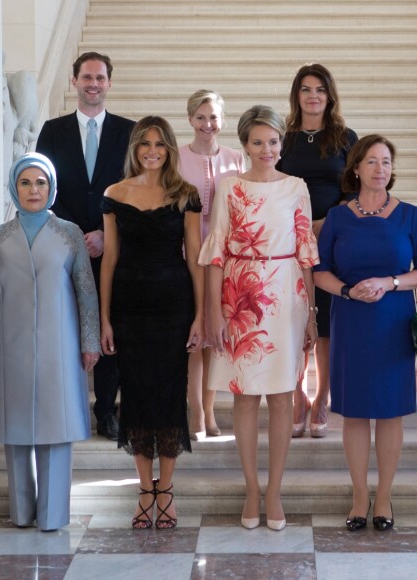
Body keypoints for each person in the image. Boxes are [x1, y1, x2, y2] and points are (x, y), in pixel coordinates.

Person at [200, 105, 318, 531]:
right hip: (240, 294)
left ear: (281, 144)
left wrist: (311, 315)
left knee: (284, 396)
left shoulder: (297, 187)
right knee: (246, 397)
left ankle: (275, 491)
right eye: (257, 141)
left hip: (287, 296)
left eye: (273, 141)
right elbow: (215, 252)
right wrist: (213, 310)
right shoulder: (229, 188)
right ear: (245, 144)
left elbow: (306, 251)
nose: (266, 149)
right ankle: (252, 489)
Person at [0, 152, 100, 532]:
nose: (33, 190)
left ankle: (53, 515)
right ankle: (22, 511)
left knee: (56, 427)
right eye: (26, 182)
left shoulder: (70, 233)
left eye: (40, 182)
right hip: (7, 342)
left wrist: (90, 339)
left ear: (52, 187)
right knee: (16, 430)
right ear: (14, 187)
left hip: (60, 344)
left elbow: (86, 292)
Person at [100, 116, 204, 529]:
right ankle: (146, 490)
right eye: (145, 143)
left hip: (174, 307)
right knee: (138, 399)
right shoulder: (114, 194)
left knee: (168, 398)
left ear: (170, 148)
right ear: (134, 148)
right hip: (129, 307)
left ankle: (168, 490)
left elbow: (195, 258)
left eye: (160, 143)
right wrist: (105, 319)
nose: (152, 150)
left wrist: (200, 316)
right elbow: (109, 260)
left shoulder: (187, 195)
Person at [314, 134, 417, 532]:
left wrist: (389, 282)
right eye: (372, 161)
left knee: (390, 414)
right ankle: (360, 497)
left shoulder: (409, 215)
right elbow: (319, 270)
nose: (380, 169)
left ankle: (385, 497)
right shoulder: (337, 217)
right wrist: (346, 289)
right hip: (350, 317)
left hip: (392, 319)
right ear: (355, 168)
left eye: (386, 162)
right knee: (355, 412)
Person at [36, 51, 135, 441]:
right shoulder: (52, 130)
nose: (93, 83)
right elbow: (40, 187)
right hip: (64, 246)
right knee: (66, 327)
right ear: (74, 81)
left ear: (110, 82)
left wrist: (107, 233)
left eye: (100, 77)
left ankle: (106, 409)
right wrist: (76, 234)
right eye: (86, 77)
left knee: (111, 326)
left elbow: (136, 190)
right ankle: (65, 405)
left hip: (114, 248)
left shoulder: (129, 132)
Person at [277, 63, 358, 438]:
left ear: (329, 96)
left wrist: (327, 222)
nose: (313, 96)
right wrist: (293, 225)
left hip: (331, 238)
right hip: (285, 239)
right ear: (297, 95)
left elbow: (353, 191)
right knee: (291, 319)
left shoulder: (344, 137)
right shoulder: (283, 137)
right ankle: (298, 397)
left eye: (319, 90)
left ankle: (322, 396)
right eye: (306, 89)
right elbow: (270, 183)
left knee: (323, 322)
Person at [178, 89, 246, 440]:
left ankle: (210, 409)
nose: (208, 124)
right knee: (195, 334)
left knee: (214, 337)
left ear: (223, 121)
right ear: (190, 119)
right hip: (186, 254)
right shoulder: (176, 157)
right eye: (201, 117)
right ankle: (195, 413)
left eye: (214, 117)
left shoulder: (236, 157)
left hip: (224, 257)